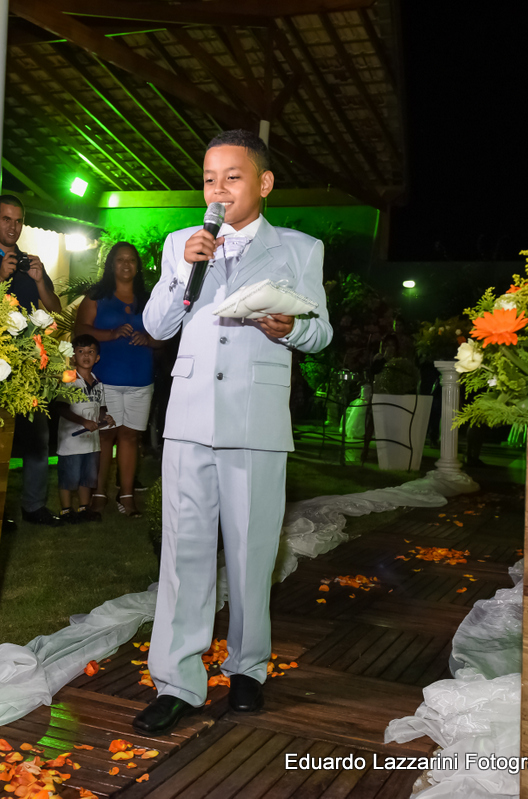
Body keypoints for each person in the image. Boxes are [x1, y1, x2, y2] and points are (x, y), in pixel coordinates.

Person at [134, 130, 332, 734]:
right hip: (189, 419)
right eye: (209, 178)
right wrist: (179, 274)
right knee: (184, 554)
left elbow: (320, 332)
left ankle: (247, 669)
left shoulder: (300, 248)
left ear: (263, 183)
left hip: (257, 419)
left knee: (251, 553)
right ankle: (178, 682)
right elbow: (158, 326)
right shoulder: (179, 244)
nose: (217, 189)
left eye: (232, 177)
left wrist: (288, 330)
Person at [0, 194, 64, 527]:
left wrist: (38, 279)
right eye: (6, 219)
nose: (13, 226)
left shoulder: (30, 261)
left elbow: (55, 308)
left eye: (18, 220)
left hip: (28, 360)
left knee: (37, 435)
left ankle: (33, 506)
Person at [74, 241, 159, 517]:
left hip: (140, 378)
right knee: (105, 436)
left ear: (138, 266)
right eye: (120, 260)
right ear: (111, 264)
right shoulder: (97, 296)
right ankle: (99, 493)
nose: (126, 264)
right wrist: (110, 334)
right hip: (105, 378)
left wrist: (148, 338)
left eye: (131, 260)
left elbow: (166, 336)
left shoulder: (150, 300)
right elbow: (79, 332)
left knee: (130, 437)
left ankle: (127, 495)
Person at [54, 334, 114, 523]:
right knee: (69, 476)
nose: (86, 356)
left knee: (88, 477)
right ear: (73, 357)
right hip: (71, 441)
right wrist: (82, 421)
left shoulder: (98, 383)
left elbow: (101, 407)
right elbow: (61, 407)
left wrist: (105, 417)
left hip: (91, 443)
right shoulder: (68, 379)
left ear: (97, 358)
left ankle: (83, 509)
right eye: (80, 352)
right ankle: (65, 511)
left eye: (90, 352)